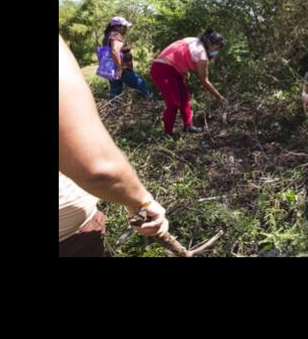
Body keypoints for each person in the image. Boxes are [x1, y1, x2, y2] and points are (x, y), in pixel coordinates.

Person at [59, 35, 168, 257]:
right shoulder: (116, 40)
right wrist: (141, 201)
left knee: (118, 91)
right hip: (69, 242)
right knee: (133, 87)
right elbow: (97, 167)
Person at [149, 29, 228, 138]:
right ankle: (167, 134)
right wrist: (219, 97)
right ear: (210, 44)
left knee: (184, 99)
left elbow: (179, 55)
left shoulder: (193, 40)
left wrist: (183, 72)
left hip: (172, 70)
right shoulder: (202, 55)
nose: (217, 51)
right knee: (173, 103)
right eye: (217, 48)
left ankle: (188, 126)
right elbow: (204, 80)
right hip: (163, 70)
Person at [102, 16, 152, 100]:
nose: (126, 29)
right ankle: (151, 101)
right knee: (140, 83)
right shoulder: (116, 36)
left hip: (111, 69)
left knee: (116, 92)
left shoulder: (108, 36)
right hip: (122, 69)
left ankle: (114, 110)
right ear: (117, 27)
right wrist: (120, 68)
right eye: (124, 27)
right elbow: (114, 51)